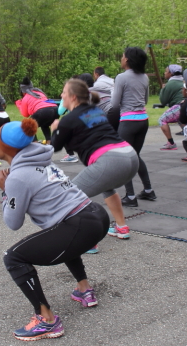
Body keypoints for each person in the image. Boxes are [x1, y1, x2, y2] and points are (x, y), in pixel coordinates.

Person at [0, 118, 108, 341]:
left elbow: (13, 223)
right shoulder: (42, 161)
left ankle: (46, 320)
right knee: (60, 233)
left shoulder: (17, 177)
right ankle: (84, 289)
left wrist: (6, 190)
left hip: (80, 225)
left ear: (7, 147)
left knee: (13, 258)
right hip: (97, 215)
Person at [50, 78, 140, 244]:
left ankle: (88, 241)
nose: (61, 95)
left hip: (112, 161)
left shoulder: (69, 119)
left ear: (73, 97)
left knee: (70, 195)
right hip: (130, 157)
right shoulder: (94, 111)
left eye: (64, 92)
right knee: (106, 187)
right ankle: (121, 227)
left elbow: (55, 146)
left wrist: (55, 129)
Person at [109, 47, 155, 206]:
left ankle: (130, 196)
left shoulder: (121, 77)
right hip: (143, 120)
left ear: (127, 60)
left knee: (125, 159)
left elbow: (114, 104)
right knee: (135, 156)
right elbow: (146, 100)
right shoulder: (144, 77)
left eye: (122, 56)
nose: (121, 59)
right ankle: (148, 190)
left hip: (128, 122)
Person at [56, 73, 94, 163]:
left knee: (63, 129)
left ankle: (71, 154)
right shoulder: (90, 92)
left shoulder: (72, 94)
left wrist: (64, 98)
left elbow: (60, 111)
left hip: (78, 119)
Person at [15, 77, 59, 142]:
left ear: (23, 91)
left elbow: (25, 114)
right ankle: (49, 141)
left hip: (43, 111)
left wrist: (19, 105)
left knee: (29, 125)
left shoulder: (26, 97)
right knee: (44, 124)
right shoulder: (39, 92)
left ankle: (35, 144)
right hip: (55, 110)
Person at [158, 64, 186, 150]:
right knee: (182, 121)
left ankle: (171, 143)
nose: (164, 73)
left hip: (179, 106)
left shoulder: (170, 84)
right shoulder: (183, 81)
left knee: (162, 120)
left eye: (166, 71)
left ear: (171, 73)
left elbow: (163, 101)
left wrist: (163, 89)